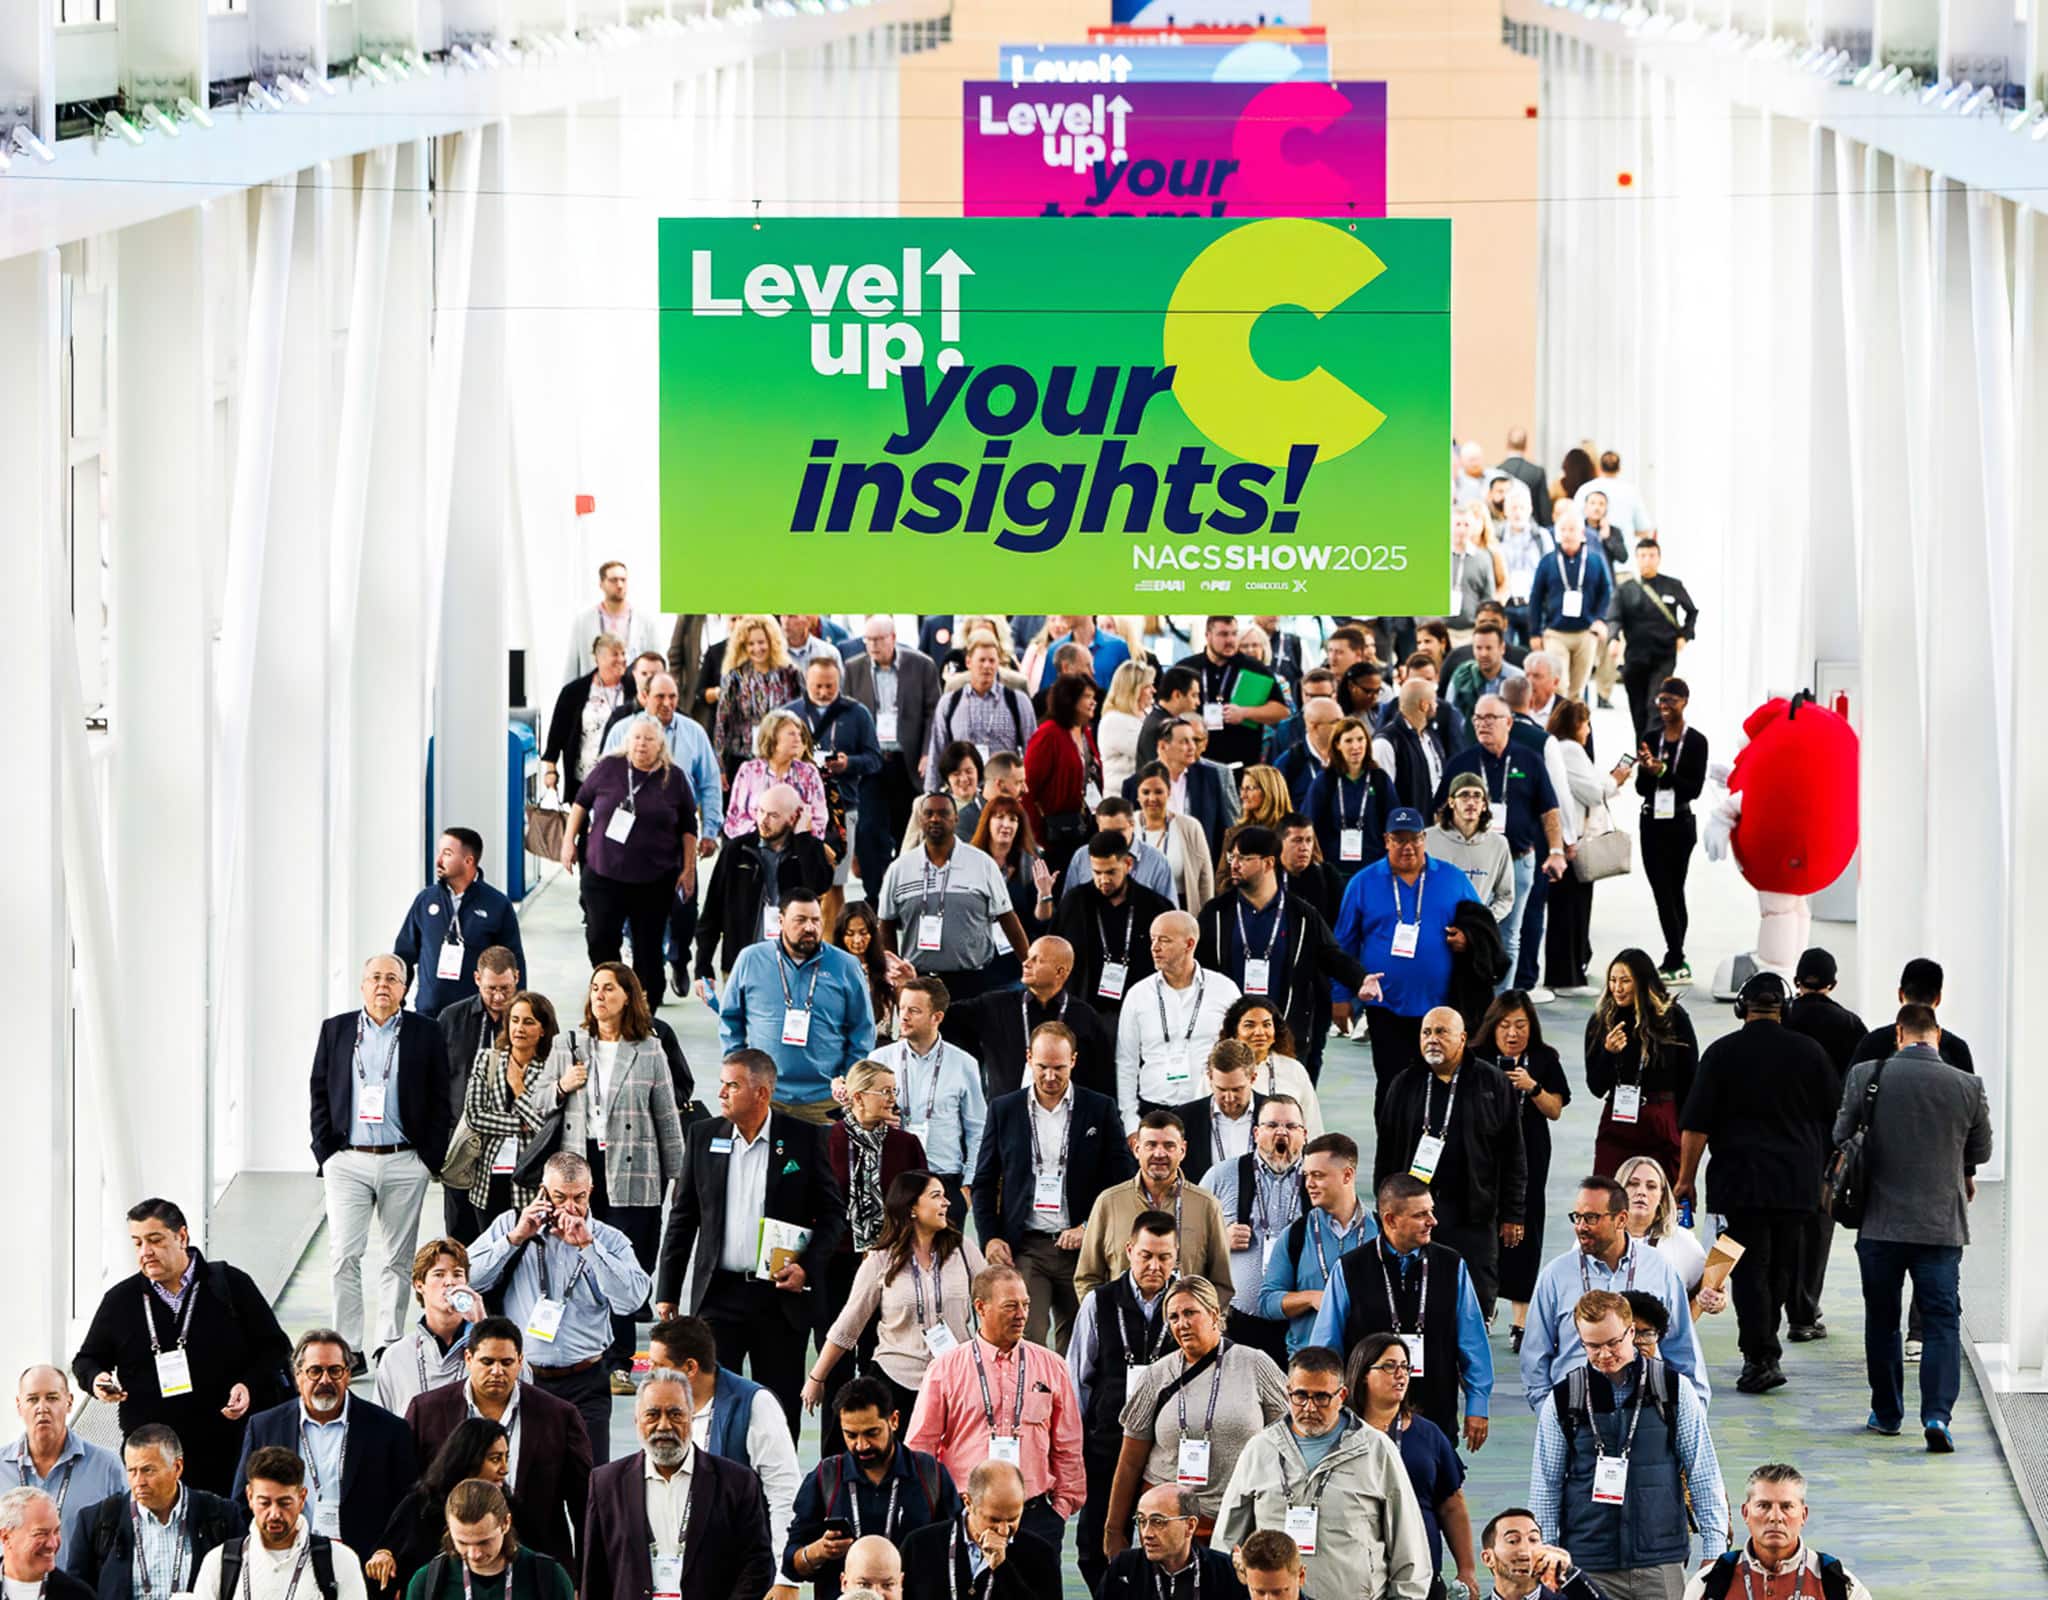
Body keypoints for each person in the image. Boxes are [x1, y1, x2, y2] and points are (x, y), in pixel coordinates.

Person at [653, 1049, 845, 1436]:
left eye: (733, 1085)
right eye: (722, 1083)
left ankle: (776, 1490)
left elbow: (832, 1217)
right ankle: (723, 1487)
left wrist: (807, 1266)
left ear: (762, 1093)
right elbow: (683, 1217)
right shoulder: (704, 1135)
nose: (721, 1092)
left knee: (777, 1405)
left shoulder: (804, 1140)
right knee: (714, 1401)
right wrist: (668, 1290)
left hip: (779, 1297)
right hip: (718, 1294)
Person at [1839, 1002, 1994, 1450]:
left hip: (1879, 1224)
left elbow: (1840, 1136)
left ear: (1899, 1034)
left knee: (1883, 1319)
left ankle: (1887, 1413)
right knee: (1943, 1321)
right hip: (1941, 1226)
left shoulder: (1867, 1075)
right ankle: (1938, 1416)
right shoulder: (1966, 1084)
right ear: (1938, 1036)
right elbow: (1980, 1151)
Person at [1674, 973, 1835, 1394]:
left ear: (1741, 1007)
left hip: (1738, 1182)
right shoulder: (1811, 1053)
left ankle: (1759, 1355)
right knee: (1782, 1267)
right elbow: (1834, 1120)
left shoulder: (1722, 1053)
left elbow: (1695, 1125)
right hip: (1796, 1186)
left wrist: (1685, 1179)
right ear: (1786, 1008)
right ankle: (1766, 1348)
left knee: (1747, 1271)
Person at [72, 1199, 291, 1495]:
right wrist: (97, 1380)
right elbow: (86, 1359)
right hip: (154, 1458)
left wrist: (248, 1385)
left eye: (155, 1240)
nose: (145, 1252)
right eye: (137, 1243)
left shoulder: (230, 1285)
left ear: (182, 1237)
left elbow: (274, 1347)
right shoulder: (121, 1300)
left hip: (229, 1450)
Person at [1528, 1291, 1728, 1600]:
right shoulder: (1564, 1398)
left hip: (1660, 1559)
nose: (1604, 1354)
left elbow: (1703, 1472)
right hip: (1587, 1562)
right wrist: (1547, 1555)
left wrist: (1714, 1552)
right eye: (1593, 1346)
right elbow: (1545, 1485)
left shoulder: (1674, 1389)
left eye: (1613, 1343)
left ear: (1631, 1332)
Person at [466, 1151, 652, 1465]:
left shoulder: (610, 1239)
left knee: (591, 1486)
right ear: (543, 1191)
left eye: (578, 1197)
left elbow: (631, 1300)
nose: (569, 1207)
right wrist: (514, 1238)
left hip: (586, 1381)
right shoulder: (512, 1225)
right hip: (525, 1382)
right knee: (528, 1486)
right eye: (559, 1197)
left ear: (590, 1191)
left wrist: (589, 1249)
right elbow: (467, 1278)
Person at [310, 955, 451, 1367]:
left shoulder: (426, 1032)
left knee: (397, 1259)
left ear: (405, 988)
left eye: (392, 978)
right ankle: (349, 1347)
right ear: (362, 985)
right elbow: (319, 1091)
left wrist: (429, 1158)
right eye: (375, 977)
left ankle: (388, 1343)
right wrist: (326, 1151)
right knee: (344, 1255)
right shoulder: (336, 1030)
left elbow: (441, 1097)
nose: (383, 985)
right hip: (348, 1159)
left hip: (404, 1159)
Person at [1215, 1343, 1429, 1600]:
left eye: (1321, 1397)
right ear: (1287, 1394)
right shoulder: (1260, 1448)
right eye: (1300, 1396)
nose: (1309, 1407)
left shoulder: (1377, 1449)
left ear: (1342, 1395)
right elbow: (1226, 1543)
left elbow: (1410, 1546)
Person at [971, 1022, 1135, 1352]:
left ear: (1073, 1061)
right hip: (1027, 1245)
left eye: (1058, 1068)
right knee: (1026, 1337)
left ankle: (1069, 1404)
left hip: (1082, 1247)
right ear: (1029, 1058)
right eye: (1042, 1067)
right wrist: (990, 1238)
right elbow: (984, 1182)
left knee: (1081, 1340)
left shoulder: (1099, 1109)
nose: (1049, 1077)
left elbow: (1122, 1181)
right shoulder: (1004, 1109)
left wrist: (1089, 1227)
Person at [904, 1266, 1085, 1556]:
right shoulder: (945, 1368)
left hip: (1033, 1517)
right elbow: (920, 1447)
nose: (1021, 1314)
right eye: (1010, 1306)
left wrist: (1060, 1510)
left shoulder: (1053, 1366)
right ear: (981, 1307)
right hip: (964, 1513)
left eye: (1025, 1305)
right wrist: (934, 1510)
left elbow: (1068, 1445)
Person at [565, 964, 688, 1388]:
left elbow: (667, 1118)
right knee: (584, 1255)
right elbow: (547, 1097)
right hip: (584, 1166)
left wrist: (679, 1180)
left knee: (627, 1260)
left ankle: (619, 1359)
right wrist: (563, 1084)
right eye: (595, 988)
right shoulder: (573, 1044)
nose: (600, 996)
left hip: (636, 1166)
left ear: (627, 996)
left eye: (609, 989)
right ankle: (606, 1356)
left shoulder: (649, 1048)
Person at [1104, 1275, 1286, 1550]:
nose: (1182, 1323)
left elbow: (1288, 1436)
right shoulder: (1156, 1375)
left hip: (1235, 1519)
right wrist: (1113, 1530)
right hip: (1167, 1523)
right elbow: (1130, 1461)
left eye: (1190, 1313)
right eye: (1174, 1317)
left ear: (1214, 1314)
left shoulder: (1254, 1364)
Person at [1311, 1176, 1493, 1450]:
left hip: (1435, 1413)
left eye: (1431, 1211)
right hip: (1365, 1422)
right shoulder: (1350, 1269)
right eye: (1421, 1215)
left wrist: (1478, 1404)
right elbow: (1326, 1347)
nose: (1433, 1221)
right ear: (1391, 1220)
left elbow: (1473, 1342)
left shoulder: (1451, 1265)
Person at [400, 1318, 589, 1573]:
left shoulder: (559, 1416)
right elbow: (409, 1494)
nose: (497, 1371)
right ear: (468, 1359)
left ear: (521, 1361)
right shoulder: (427, 1411)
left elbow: (583, 1504)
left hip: (537, 1567)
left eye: (507, 1362)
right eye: (487, 1362)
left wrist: (582, 1578)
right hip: (448, 1565)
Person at [1374, 1007, 1527, 1318]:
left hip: (1473, 1210)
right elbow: (1387, 1153)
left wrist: (1514, 1212)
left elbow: (1513, 1153)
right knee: (1414, 1297)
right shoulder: (1404, 1083)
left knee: (1475, 1296)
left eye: (1441, 1032)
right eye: (1426, 1032)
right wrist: (1384, 1210)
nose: (1433, 1039)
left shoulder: (1492, 1082)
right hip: (1413, 1212)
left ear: (1463, 1038)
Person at [1333, 810, 1484, 1111]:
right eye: (1399, 840)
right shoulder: (1363, 883)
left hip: (1441, 1008)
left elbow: (1483, 927)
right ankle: (1392, 1155)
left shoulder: (1451, 878)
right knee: (1392, 1085)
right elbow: (1343, 944)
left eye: (1414, 839)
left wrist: (1469, 939)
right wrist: (1340, 996)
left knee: (1441, 1083)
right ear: (1386, 841)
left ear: (1424, 839)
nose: (1408, 847)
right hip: (1385, 1006)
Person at [809, 1173, 987, 1427]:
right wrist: (817, 1378)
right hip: (896, 1382)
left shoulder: (963, 1248)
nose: (947, 1203)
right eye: (936, 1196)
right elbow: (849, 1322)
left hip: (957, 1380)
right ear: (912, 1207)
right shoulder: (881, 1259)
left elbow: (991, 1302)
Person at [580, 1368, 774, 1600]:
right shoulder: (606, 1484)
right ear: (636, 1420)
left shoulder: (736, 1482)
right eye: (652, 1414)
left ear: (692, 1416)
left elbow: (757, 1565)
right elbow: (595, 1575)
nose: (664, 1426)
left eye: (675, 1414)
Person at [230, 1330, 415, 1568]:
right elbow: (242, 1502)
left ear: (348, 1374)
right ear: (298, 1376)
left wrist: (388, 1551)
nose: (325, 1380)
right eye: (315, 1371)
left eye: (334, 1370)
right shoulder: (264, 1427)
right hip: (286, 1560)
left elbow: (407, 1504)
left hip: (363, 1565)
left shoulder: (389, 1429)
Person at [1065, 1212, 1181, 1594]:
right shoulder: (1099, 1303)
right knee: (1093, 1547)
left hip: (1168, 1451)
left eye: (1164, 1257)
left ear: (1176, 1256)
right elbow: (1077, 1379)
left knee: (1163, 1546)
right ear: (1129, 1250)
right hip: (1107, 1445)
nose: (1154, 1265)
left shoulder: (1187, 1303)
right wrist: (1078, 1445)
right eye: (1146, 1255)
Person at [1196, 827, 1372, 1076]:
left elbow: (1331, 956)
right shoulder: (1215, 913)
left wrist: (1360, 979)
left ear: (1268, 863)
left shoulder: (1301, 915)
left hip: (1286, 1037)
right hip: (1229, 1038)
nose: (1234, 865)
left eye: (1244, 858)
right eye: (1232, 857)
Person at [1520, 1179, 1707, 1413]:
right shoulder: (1555, 1276)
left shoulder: (1660, 1269)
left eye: (1591, 1218)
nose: (1580, 1226)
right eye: (1576, 1217)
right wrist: (1551, 1415)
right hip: (1575, 1413)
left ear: (1621, 1220)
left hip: (1647, 1410)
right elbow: (1534, 1357)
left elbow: (1682, 1349)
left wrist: (1693, 1410)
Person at [819, 1064, 931, 1446]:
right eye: (884, 1091)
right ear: (858, 1096)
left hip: (889, 1264)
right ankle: (832, 1455)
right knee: (835, 1356)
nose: (892, 1099)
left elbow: (920, 1202)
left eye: (894, 1091)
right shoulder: (827, 1140)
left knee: (874, 1361)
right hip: (837, 1263)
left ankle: (875, 1446)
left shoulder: (906, 1144)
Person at [640, 1317, 802, 1579]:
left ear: (690, 1367)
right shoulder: (655, 1406)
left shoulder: (755, 1405)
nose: (649, 1375)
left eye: (658, 1366)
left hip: (738, 1569)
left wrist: (785, 1578)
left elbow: (784, 1495)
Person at [558, 717, 701, 1007]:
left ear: (660, 745)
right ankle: (609, 992)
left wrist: (688, 869)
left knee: (648, 945)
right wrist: (567, 842)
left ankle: (645, 1004)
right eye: (636, 738)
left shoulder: (674, 778)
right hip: (604, 872)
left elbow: (688, 827)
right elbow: (581, 802)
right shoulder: (609, 767)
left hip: (654, 877)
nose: (641, 745)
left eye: (649, 739)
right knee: (600, 936)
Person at [717, 886, 876, 1120]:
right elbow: (730, 1021)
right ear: (781, 921)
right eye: (800, 920)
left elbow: (862, 1030)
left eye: (815, 920)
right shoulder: (751, 959)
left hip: (825, 1100)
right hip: (765, 1096)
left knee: (824, 1157)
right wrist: (741, 1075)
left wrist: (848, 1079)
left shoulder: (845, 965)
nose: (809, 928)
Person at [785, 1379, 956, 1594]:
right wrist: (819, 1551)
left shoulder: (931, 1475)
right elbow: (791, 1565)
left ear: (894, 1421)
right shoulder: (825, 1477)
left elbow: (956, 1549)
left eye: (872, 1433)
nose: (862, 1445)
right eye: (851, 1435)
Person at [1342, 1334, 1477, 1596]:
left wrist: (1467, 1570)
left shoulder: (1428, 1434)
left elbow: (1452, 1505)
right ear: (1362, 1374)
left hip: (1421, 1575)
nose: (1400, 1374)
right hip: (1357, 1578)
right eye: (1389, 1366)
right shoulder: (1340, 1433)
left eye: (1405, 1366)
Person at [1476, 993, 1571, 1351]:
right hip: (1485, 1154)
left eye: (1521, 1025)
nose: (1513, 1033)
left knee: (1527, 1229)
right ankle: (1483, 1309)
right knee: (1484, 1229)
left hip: (1530, 1154)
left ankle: (1521, 1317)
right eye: (1505, 1025)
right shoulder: (1477, 1058)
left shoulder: (1545, 1058)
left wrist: (1533, 1087)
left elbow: (1556, 1109)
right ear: (1492, 1027)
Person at [1782, 948, 1865, 1338]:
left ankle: (1777, 1303)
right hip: (1826, 1139)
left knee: (1779, 1224)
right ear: (1832, 983)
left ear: (1798, 981)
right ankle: (1803, 1313)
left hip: (1778, 1135)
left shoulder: (1780, 1017)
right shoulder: (1850, 1025)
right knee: (1817, 1226)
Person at [879, 791, 1030, 1004]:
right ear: (920, 819)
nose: (935, 819)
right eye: (928, 813)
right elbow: (885, 924)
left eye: (943, 813)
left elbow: (1007, 918)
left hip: (974, 981)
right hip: (920, 980)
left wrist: (1030, 964)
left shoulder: (982, 864)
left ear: (956, 818)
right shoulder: (900, 869)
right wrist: (894, 976)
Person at [64, 1425, 239, 1600]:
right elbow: (74, 1594)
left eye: (148, 1470)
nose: (139, 1481)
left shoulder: (221, 1516)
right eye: (131, 1471)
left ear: (177, 1467)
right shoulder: (97, 1521)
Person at [1075, 1111, 1234, 1300]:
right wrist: (1102, 1321)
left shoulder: (1207, 1205)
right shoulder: (1108, 1203)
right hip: (1121, 1325)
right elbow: (1087, 1277)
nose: (1159, 1153)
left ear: (1182, 1150)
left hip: (1183, 1326)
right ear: (1136, 1149)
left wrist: (1209, 1324)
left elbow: (1222, 1284)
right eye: (1151, 1145)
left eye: (1169, 1146)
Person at [452, 991, 564, 1252]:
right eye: (514, 1020)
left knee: (529, 1255)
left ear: (544, 1029)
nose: (519, 1028)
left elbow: (546, 1128)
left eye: (528, 1022)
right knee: (492, 1253)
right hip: (488, 1179)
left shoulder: (552, 1068)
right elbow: (475, 1115)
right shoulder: (488, 1059)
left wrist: (519, 1088)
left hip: (531, 1180)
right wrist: (520, 1123)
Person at [869, 978, 987, 1226]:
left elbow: (978, 1130)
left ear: (937, 1017)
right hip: (893, 1178)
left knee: (944, 1262)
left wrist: (968, 1186)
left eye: (914, 1010)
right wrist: (877, 1117)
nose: (904, 1017)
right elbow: (859, 1122)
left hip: (945, 1180)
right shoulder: (879, 1059)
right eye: (902, 1009)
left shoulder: (964, 1064)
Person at [942, 934, 1116, 1099]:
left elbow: (1103, 1079)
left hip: (1067, 1118)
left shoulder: (1084, 1016)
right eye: (1028, 957)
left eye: (1037, 960)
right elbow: (940, 1018)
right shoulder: (994, 1005)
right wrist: (915, 985)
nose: (1026, 963)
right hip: (1006, 1121)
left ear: (1060, 972)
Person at [695, 784, 836, 985]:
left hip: (796, 965)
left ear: (794, 818)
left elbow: (819, 885)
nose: (763, 820)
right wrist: (703, 967)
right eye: (760, 811)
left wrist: (804, 838)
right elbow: (712, 912)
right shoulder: (736, 850)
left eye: (773, 815)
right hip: (743, 963)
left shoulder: (809, 850)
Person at [1115, 913, 1241, 1135]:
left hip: (1208, 1109)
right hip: (1153, 1108)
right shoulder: (1138, 994)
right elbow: (1126, 1061)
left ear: (1189, 944)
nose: (1155, 947)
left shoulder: (1225, 990)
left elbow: (1238, 1054)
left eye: (1164, 940)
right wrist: (1130, 1122)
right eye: (1153, 939)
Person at [191, 1446, 370, 1600]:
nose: (275, 1514)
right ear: (250, 1497)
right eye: (265, 1503)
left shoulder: (339, 1560)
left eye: (284, 1503)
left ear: (302, 1498)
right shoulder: (219, 1562)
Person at [1256, 1132, 1379, 1356]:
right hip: (1311, 1369)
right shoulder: (1296, 1234)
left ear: (1347, 1175)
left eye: (1318, 1175)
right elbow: (1266, 1302)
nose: (1309, 1184)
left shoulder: (1382, 1231)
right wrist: (1313, 1298)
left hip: (1369, 1366)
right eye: (1306, 1175)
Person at [362, 1420, 511, 1596]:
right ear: (470, 1459)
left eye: (505, 1458)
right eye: (495, 1459)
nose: (504, 1469)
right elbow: (387, 1551)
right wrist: (383, 1557)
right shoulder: (420, 1505)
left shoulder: (510, 1508)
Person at [1684, 1465, 1874, 1600]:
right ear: (1745, 1513)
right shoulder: (1710, 1582)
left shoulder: (1836, 1583)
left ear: (1803, 1515)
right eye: (1763, 1506)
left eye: (1786, 1506)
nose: (1775, 1517)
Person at [844, 617, 942, 878]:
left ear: (893, 638)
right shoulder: (853, 669)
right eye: (868, 640)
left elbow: (934, 713)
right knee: (868, 829)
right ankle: (877, 893)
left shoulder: (921, 665)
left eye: (878, 640)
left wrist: (926, 753)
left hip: (907, 761)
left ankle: (907, 885)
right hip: (872, 762)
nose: (873, 646)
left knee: (905, 829)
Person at [1586, 952, 1698, 1180]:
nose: (1617, 988)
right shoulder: (1601, 1021)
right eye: (1613, 980)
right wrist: (1608, 1054)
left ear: (1642, 981)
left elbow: (1690, 1078)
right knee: (1609, 1196)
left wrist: (1682, 1131)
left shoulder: (1673, 1018)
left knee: (1663, 1200)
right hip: (1618, 1121)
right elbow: (1596, 1087)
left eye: (1625, 980)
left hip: (1662, 1119)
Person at [434, 951, 523, 1240]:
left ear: (517, 979)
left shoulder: (532, 1017)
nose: (498, 997)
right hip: (463, 1142)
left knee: (511, 1233)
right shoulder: (451, 1018)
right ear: (476, 980)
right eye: (490, 989)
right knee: (461, 1234)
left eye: (505, 989)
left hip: (514, 1146)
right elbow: (436, 1081)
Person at [394, 829, 526, 1020]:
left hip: (474, 1015)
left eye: (447, 854)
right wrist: (397, 999)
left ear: (468, 861)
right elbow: (403, 956)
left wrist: (516, 1011)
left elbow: (513, 962)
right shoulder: (425, 900)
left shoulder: (497, 904)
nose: (438, 860)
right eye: (440, 852)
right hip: (429, 1013)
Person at [1543, 699, 1626, 994]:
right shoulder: (1570, 750)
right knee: (1571, 908)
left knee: (1570, 907)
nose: (1588, 731)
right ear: (1575, 725)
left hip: (1567, 837)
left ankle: (1570, 969)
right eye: (1586, 724)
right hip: (1572, 839)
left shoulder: (1558, 747)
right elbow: (1592, 791)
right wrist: (1615, 780)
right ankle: (1566, 975)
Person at [1054, 832, 1175, 1024]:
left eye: (1110, 872)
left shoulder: (1155, 906)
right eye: (1097, 873)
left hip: (1142, 1012)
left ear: (1128, 864)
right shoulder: (1074, 903)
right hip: (1085, 1010)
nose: (1103, 880)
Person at [1632, 680, 1707, 986]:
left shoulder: (1696, 742)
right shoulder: (1650, 738)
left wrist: (1664, 772)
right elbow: (1640, 788)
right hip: (1652, 822)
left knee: (1674, 891)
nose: (1664, 706)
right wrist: (1650, 772)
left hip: (1680, 823)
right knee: (1662, 891)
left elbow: (1694, 789)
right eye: (1660, 700)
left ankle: (1675, 957)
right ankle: (1676, 957)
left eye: (1670, 701)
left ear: (1685, 701)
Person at [4, 1367, 124, 1556]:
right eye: (32, 1399)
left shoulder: (107, 1467)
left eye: (52, 1398)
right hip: (12, 1585)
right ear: (19, 1405)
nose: (42, 1408)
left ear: (69, 1402)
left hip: (83, 1585)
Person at [899, 1459, 1059, 1600]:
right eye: (994, 1519)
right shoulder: (919, 1545)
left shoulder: (1041, 1553)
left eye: (1012, 1519)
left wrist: (1002, 1568)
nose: (1003, 1530)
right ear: (968, 1503)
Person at [399, 1478, 571, 1600]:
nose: (474, 1554)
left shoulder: (549, 1577)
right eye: (462, 1543)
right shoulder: (427, 1582)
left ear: (505, 1523)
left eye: (484, 1542)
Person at [1176, 616, 1290, 773]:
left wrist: (1245, 713)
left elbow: (1281, 711)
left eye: (1234, 634)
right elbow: (1166, 708)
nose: (1230, 640)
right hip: (1193, 761)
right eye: (1223, 634)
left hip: (1242, 763)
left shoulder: (1254, 668)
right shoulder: (1186, 668)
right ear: (1207, 635)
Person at [1103, 1484, 1249, 1600]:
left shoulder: (1224, 1570)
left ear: (1190, 1525)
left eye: (1158, 1522)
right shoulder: (1125, 1566)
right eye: (1141, 1521)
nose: (1146, 1533)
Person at [1023, 675, 1105, 879]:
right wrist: (1038, 839)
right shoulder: (1048, 735)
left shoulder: (1085, 732)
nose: (1093, 701)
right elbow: (1028, 790)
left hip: (1085, 828)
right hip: (1055, 837)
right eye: (1087, 696)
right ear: (1070, 699)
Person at [1528, 505, 1613, 699]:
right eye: (1563, 529)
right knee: (1560, 685)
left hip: (1585, 632)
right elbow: (1536, 597)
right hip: (1556, 633)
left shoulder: (1594, 560)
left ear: (1582, 533)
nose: (1567, 534)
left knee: (1577, 689)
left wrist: (1600, 619)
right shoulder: (1548, 561)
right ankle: (1556, 726)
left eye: (1572, 529)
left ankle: (1574, 728)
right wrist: (1535, 632)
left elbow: (1606, 593)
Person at [1614, 542, 1698, 737]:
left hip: (1663, 655)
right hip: (1635, 657)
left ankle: (1653, 754)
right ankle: (1643, 756)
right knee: (1638, 711)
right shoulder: (1626, 589)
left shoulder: (1672, 586)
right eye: (1642, 556)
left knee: (1656, 704)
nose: (1647, 560)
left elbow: (1692, 612)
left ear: (1658, 558)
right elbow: (1614, 617)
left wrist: (1685, 635)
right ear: (1636, 558)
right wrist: (1613, 638)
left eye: (1651, 555)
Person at [712, 614, 805, 780]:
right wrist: (720, 767)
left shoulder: (790, 674)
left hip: (784, 759)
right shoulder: (735, 677)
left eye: (761, 642)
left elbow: (803, 716)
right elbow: (722, 723)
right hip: (744, 760)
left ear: (771, 641)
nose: (757, 648)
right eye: (750, 644)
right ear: (743, 646)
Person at [541, 633, 630, 807]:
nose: (621, 659)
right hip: (584, 778)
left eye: (623, 654)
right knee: (584, 830)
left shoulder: (634, 689)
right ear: (599, 658)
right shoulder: (574, 691)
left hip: (624, 780)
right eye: (615, 654)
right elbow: (557, 732)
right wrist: (551, 770)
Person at [1847, 957, 1978, 1073]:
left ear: (1900, 994)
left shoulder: (1873, 1042)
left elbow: (1849, 1093)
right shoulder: (1956, 1049)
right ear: (1938, 998)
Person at [1131, 752, 1223, 912]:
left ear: (1169, 792)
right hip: (1137, 912)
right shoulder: (1128, 826)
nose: (1152, 798)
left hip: (1181, 910)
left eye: (1158, 792)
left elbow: (1205, 877)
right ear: (1138, 795)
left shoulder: (1190, 827)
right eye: (1146, 792)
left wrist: (1204, 919)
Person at [1220, 996, 1325, 1130]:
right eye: (1249, 1025)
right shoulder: (1219, 1070)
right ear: (1234, 1032)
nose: (1259, 1032)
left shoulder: (1294, 1070)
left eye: (1267, 1025)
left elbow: (1312, 1124)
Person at [1175, 1040, 1264, 1193]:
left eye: (1237, 1089)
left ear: (1253, 1078)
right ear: (1210, 1077)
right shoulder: (1183, 1118)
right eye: (1222, 1089)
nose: (1229, 1098)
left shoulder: (1276, 1114)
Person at [971, 797, 1057, 953]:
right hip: (977, 952)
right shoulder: (970, 861)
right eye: (1000, 817)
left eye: (1013, 819)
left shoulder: (1030, 863)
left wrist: (1044, 895)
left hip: (1018, 952)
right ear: (987, 822)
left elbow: (1041, 923)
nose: (1006, 825)